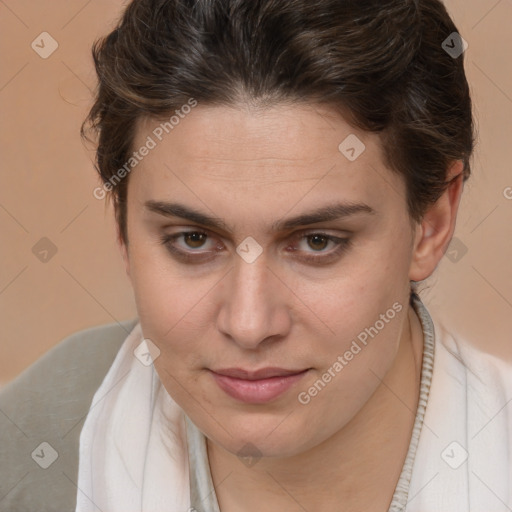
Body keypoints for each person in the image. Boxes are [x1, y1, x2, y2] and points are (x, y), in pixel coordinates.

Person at [1, 0, 511, 511]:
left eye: (317, 242)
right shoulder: (36, 441)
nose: (249, 325)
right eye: (193, 239)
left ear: (432, 224)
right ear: (122, 225)